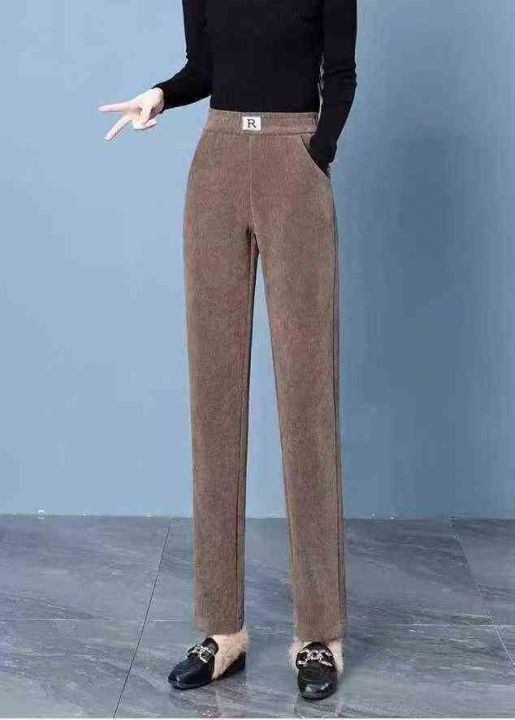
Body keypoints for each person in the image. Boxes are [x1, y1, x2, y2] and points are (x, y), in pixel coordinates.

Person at [99, 0, 357, 701]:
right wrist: (161, 93)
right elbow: (206, 68)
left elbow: (340, 74)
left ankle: (319, 634)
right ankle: (223, 631)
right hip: (215, 163)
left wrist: (316, 154)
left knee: (307, 398)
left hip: (294, 159)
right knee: (212, 399)